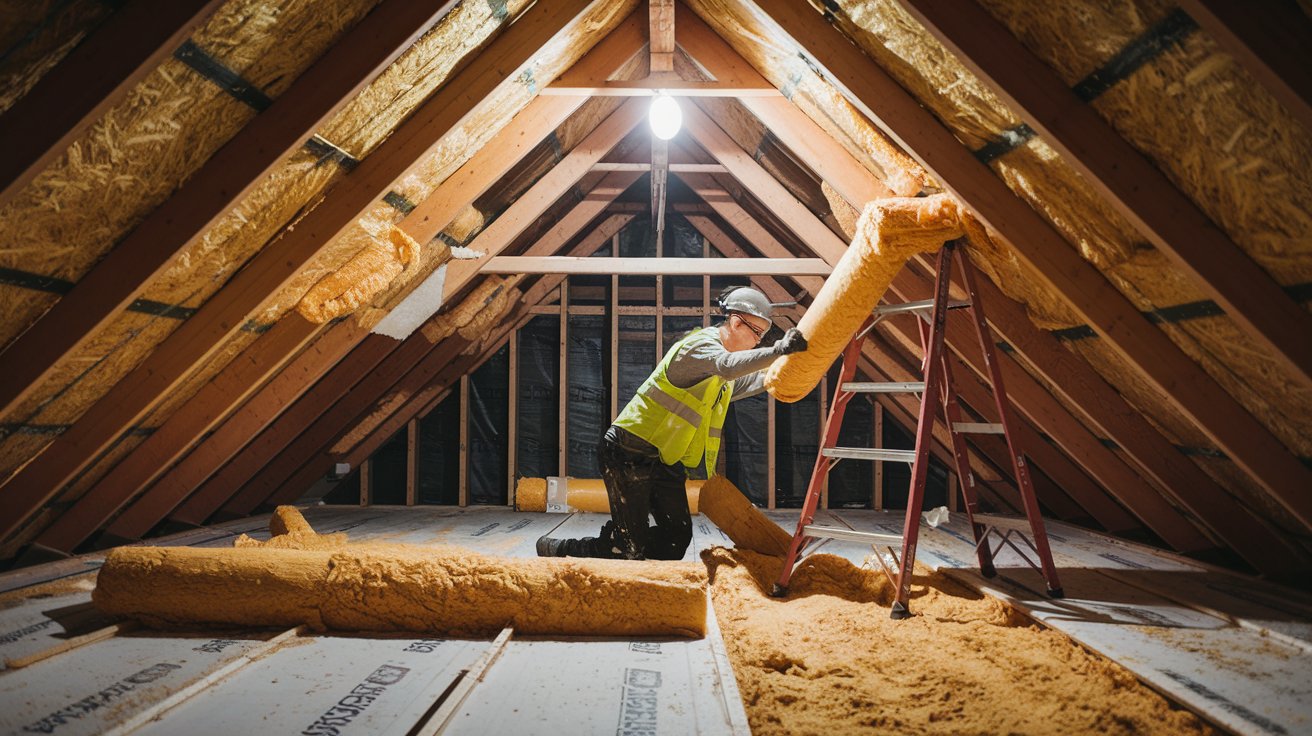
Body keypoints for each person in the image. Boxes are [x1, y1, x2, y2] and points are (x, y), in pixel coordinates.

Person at [536, 286, 807, 560]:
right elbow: (728, 366)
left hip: (664, 461)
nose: (759, 341)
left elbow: (749, 380)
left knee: (675, 543)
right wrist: (779, 350)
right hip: (629, 451)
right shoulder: (700, 347)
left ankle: (624, 540)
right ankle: (573, 548)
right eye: (757, 333)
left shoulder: (720, 373)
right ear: (736, 322)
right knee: (631, 548)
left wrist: (789, 367)